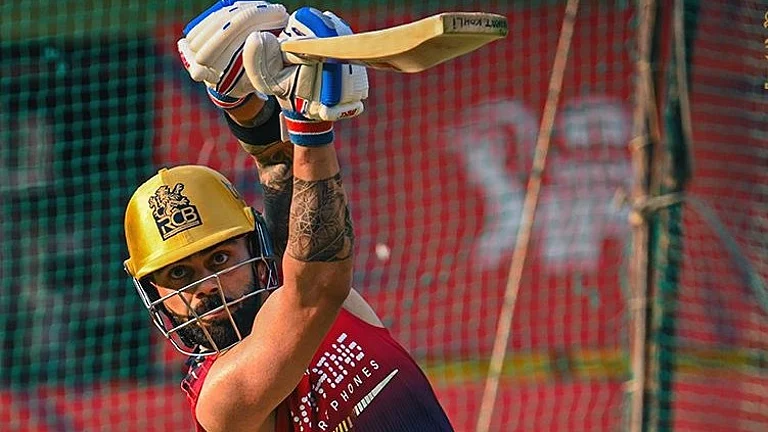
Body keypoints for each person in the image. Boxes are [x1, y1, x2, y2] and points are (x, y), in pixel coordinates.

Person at [122, 2, 454, 431]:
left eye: (220, 260)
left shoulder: (304, 291)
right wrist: (310, 124)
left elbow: (288, 199)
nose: (206, 289)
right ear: (155, 294)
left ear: (257, 253)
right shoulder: (221, 396)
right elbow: (315, 283)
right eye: (179, 276)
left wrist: (240, 102)